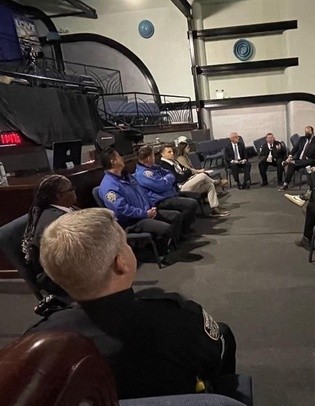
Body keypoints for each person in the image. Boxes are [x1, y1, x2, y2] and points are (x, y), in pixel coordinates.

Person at [26, 208, 238, 400]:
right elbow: (214, 358)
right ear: (121, 263)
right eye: (126, 244)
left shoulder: (37, 340)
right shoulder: (180, 319)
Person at [98, 147, 178, 254]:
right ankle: (157, 253)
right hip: (132, 222)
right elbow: (122, 210)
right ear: (113, 161)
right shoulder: (108, 186)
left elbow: (143, 193)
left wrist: (151, 207)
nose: (122, 158)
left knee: (175, 216)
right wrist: (145, 214)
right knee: (166, 229)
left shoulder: (127, 176)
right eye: (119, 156)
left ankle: (168, 246)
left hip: (146, 212)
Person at [21, 174, 76, 296]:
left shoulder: (68, 209)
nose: (74, 191)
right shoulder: (55, 222)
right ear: (58, 195)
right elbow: (63, 257)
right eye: (71, 189)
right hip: (58, 276)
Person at [141, 145, 229, 218]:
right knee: (202, 175)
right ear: (162, 154)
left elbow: (186, 170)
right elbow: (178, 178)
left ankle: (214, 209)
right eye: (169, 152)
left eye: (172, 151)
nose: (172, 153)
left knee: (209, 185)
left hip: (187, 182)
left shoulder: (174, 161)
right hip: (180, 187)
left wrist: (186, 173)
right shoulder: (164, 165)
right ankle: (216, 182)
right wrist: (186, 173)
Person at [279, 125, 315, 191]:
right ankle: (285, 184)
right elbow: (295, 148)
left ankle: (290, 162)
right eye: (306, 132)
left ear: (312, 132)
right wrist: (290, 156)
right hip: (299, 159)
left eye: (308, 132)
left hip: (309, 161)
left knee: (298, 162)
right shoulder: (302, 139)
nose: (307, 133)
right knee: (291, 165)